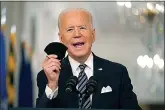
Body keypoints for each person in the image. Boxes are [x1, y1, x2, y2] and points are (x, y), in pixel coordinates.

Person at [36, 8, 142, 109]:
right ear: (61, 38)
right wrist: (52, 84)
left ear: (93, 35)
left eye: (82, 28)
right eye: (70, 29)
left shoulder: (118, 73)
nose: (77, 34)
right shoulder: (47, 75)